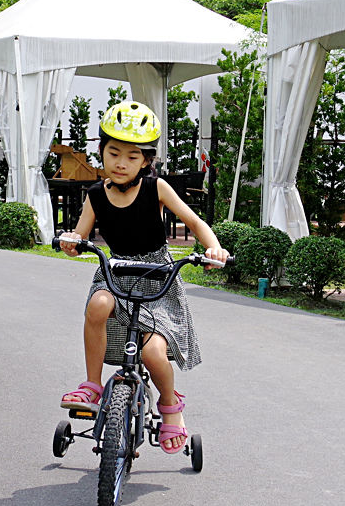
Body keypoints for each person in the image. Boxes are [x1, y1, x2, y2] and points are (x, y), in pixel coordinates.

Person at [57, 101, 228, 454]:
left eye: (132, 156)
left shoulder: (157, 189)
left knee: (152, 352)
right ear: (101, 152)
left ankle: (170, 407)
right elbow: (80, 236)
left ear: (146, 161)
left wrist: (213, 248)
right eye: (113, 152)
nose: (121, 162)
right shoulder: (95, 196)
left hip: (157, 274)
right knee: (98, 304)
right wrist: (72, 243)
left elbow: (194, 223)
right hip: (116, 270)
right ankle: (92, 384)